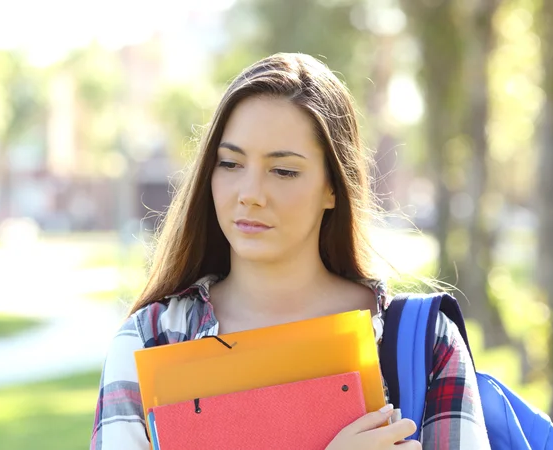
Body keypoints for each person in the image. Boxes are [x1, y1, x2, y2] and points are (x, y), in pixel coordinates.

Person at [89, 53, 490, 450]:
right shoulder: (149, 340)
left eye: (283, 171)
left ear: (333, 187)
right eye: (230, 164)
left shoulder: (421, 343)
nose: (250, 194)